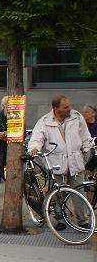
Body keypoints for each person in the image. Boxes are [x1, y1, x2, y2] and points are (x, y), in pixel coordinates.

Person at [28, 95, 93, 230]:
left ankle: (83, 220)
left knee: (79, 192)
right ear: (56, 108)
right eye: (65, 107)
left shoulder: (76, 117)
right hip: (56, 161)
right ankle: (60, 219)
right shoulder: (45, 121)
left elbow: (85, 136)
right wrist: (34, 148)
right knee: (57, 192)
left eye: (69, 106)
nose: (69, 109)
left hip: (75, 161)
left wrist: (87, 150)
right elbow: (37, 137)